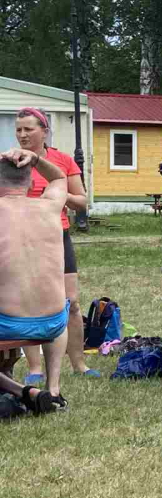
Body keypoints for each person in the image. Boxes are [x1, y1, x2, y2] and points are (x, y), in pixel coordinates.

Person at [13, 108, 95, 382]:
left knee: (71, 303)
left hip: (57, 236)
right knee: (29, 303)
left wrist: (59, 195)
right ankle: (35, 368)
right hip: (24, 238)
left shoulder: (62, 160)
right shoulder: (12, 161)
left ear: (44, 131)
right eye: (19, 130)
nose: (23, 135)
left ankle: (79, 364)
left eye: (29, 129)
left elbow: (82, 202)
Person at [0, 148, 71, 411]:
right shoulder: (50, 207)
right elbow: (59, 178)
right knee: (62, 305)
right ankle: (53, 390)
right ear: (31, 184)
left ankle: (19, 390)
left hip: (7, 324)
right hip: (53, 323)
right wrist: (37, 159)